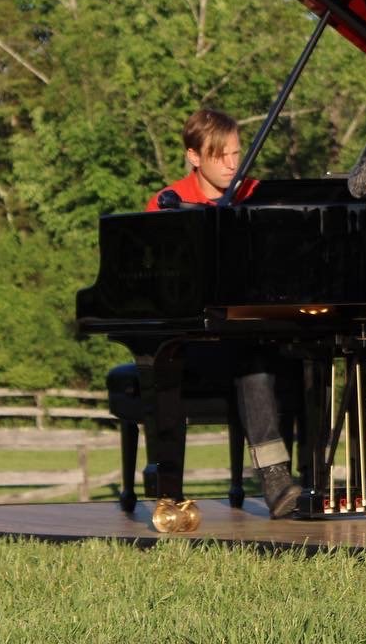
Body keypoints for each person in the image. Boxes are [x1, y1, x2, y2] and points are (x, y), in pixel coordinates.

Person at [147, 108, 302, 519]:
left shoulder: (258, 195)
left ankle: (318, 482)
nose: (233, 164)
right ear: (194, 157)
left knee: (306, 356)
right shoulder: (168, 202)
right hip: (199, 343)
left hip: (259, 330)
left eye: (237, 153)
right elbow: (163, 285)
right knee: (252, 362)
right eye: (221, 155)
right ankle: (274, 477)